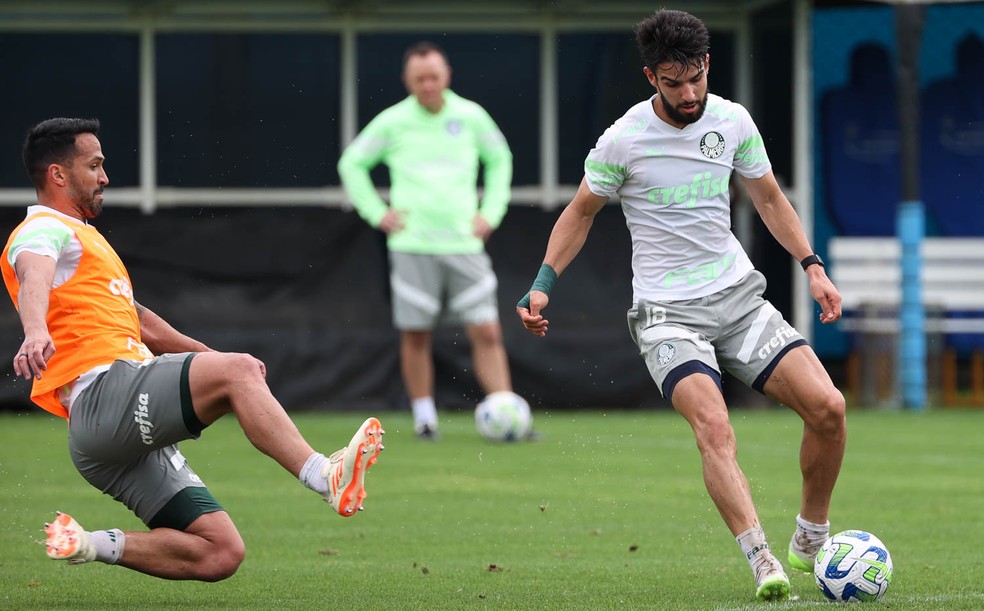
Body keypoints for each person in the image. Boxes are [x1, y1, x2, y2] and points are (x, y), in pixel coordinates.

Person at [516, 10, 846, 602]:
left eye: (696, 77)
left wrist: (812, 267)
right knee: (714, 427)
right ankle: (762, 559)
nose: (688, 93)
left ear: (707, 66)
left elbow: (769, 198)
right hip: (667, 315)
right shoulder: (624, 140)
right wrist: (544, 281)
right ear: (651, 78)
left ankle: (811, 537)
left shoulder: (732, 121)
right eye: (673, 82)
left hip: (739, 302)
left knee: (829, 408)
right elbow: (580, 213)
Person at [2, 117, 385, 581]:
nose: (104, 177)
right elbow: (33, 273)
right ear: (58, 175)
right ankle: (325, 477)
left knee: (220, 553)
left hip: (101, 443)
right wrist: (35, 328)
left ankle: (87, 544)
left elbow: (142, 321)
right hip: (106, 397)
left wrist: (210, 358)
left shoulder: (86, 242)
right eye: (95, 165)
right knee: (236, 370)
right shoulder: (41, 229)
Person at [338, 41, 517, 440]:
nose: (428, 84)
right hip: (412, 245)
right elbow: (351, 163)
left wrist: (491, 212)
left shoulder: (471, 116)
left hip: (464, 245)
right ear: (408, 81)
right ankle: (424, 418)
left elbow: (500, 158)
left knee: (487, 330)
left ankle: (506, 414)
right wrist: (375, 212)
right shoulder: (393, 121)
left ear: (446, 75)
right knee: (415, 333)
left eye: (434, 76)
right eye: (419, 78)